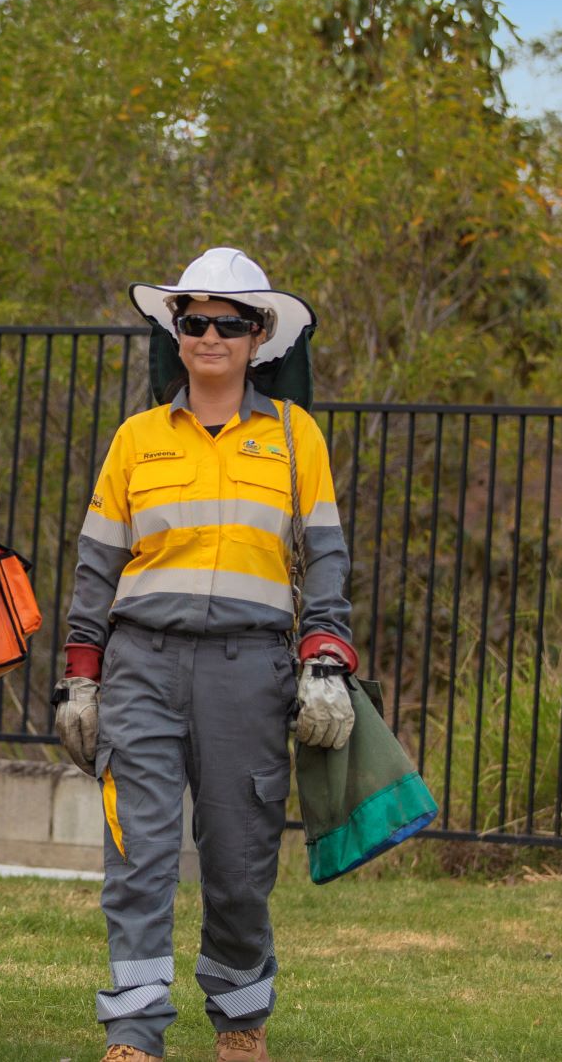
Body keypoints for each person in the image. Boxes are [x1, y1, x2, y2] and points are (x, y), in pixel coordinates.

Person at [52, 247, 357, 1062]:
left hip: (249, 672)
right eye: (194, 319)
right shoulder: (136, 440)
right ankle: (134, 1033)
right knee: (139, 855)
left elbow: (325, 557)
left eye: (230, 320)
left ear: (260, 335)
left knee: (237, 859)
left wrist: (325, 657)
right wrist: (82, 678)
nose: (211, 333)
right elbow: (95, 567)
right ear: (175, 332)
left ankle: (241, 1020)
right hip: (141, 665)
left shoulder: (297, 438)